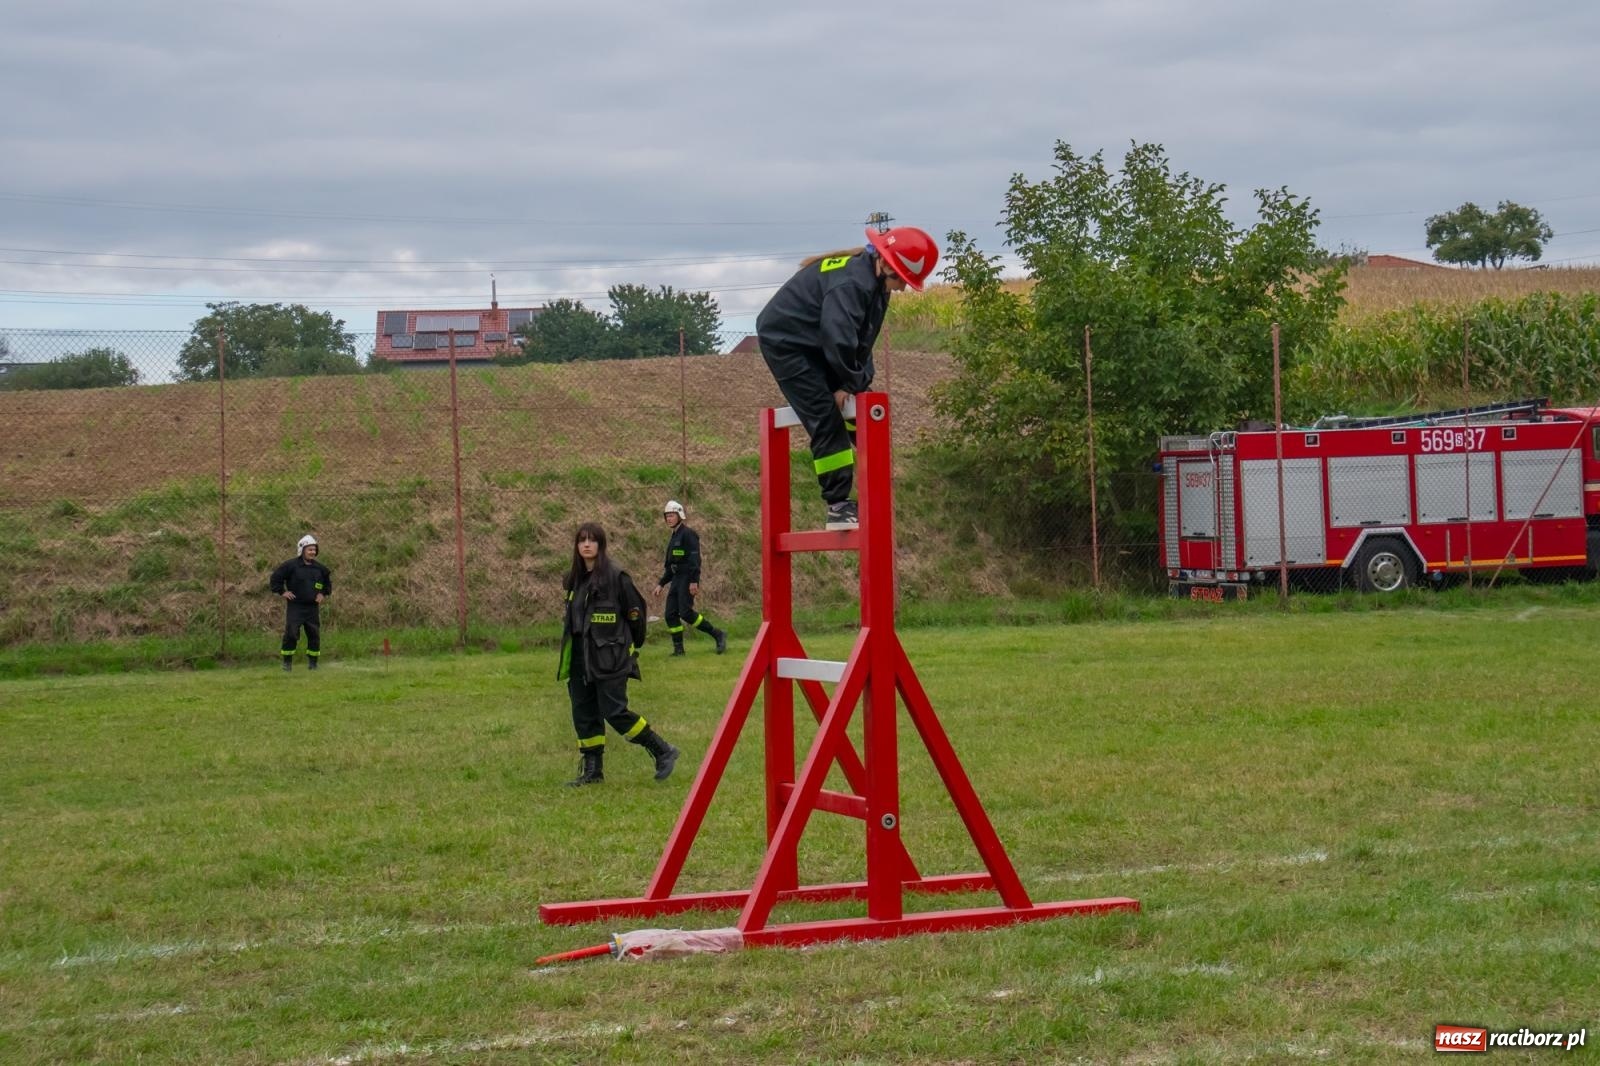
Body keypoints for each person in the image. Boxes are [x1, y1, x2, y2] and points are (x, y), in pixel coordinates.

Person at [755, 225, 938, 529]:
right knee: (825, 418)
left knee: (860, 403)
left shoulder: (875, 284)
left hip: (815, 342)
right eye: (900, 279)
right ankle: (838, 505)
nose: (903, 288)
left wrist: (854, 383)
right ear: (885, 263)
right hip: (787, 344)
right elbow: (838, 339)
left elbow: (862, 341)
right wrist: (844, 384)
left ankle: (872, 477)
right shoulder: (854, 283)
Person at [556, 522, 680, 787]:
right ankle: (592, 771)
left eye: (592, 540)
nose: (586, 545)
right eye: (581, 540)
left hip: (610, 658)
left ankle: (662, 750)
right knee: (584, 712)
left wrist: (627, 649)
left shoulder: (616, 577)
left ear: (601, 545)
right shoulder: (573, 579)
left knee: (615, 712)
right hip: (580, 658)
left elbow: (636, 615)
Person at [652, 500, 728, 657]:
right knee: (670, 614)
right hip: (676, 579)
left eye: (672, 515)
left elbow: (695, 559)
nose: (669, 519)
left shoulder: (688, 534)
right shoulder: (673, 537)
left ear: (680, 515)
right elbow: (671, 565)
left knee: (685, 613)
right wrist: (661, 583)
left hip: (687, 578)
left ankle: (717, 634)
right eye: (667, 516)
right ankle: (679, 650)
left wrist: (694, 581)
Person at [270, 534, 332, 671]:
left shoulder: (320, 569)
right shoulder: (290, 566)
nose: (313, 552)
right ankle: (287, 663)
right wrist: (282, 591)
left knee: (314, 634)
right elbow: (275, 578)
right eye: (310, 549)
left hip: (312, 608)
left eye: (314, 550)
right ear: (302, 549)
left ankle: (313, 664)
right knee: (291, 633)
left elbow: (327, 583)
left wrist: (323, 593)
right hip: (296, 607)